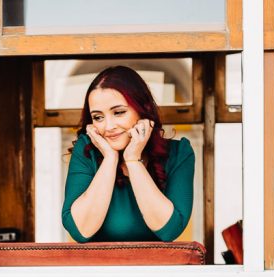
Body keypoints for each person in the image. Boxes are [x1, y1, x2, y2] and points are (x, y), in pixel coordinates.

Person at [62, 65, 195, 243]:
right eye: (98, 117)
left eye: (119, 112)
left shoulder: (179, 153)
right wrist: (110, 158)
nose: (108, 126)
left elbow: (170, 230)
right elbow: (80, 231)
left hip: (157, 262)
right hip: (98, 262)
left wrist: (133, 160)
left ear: (142, 110)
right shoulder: (86, 151)